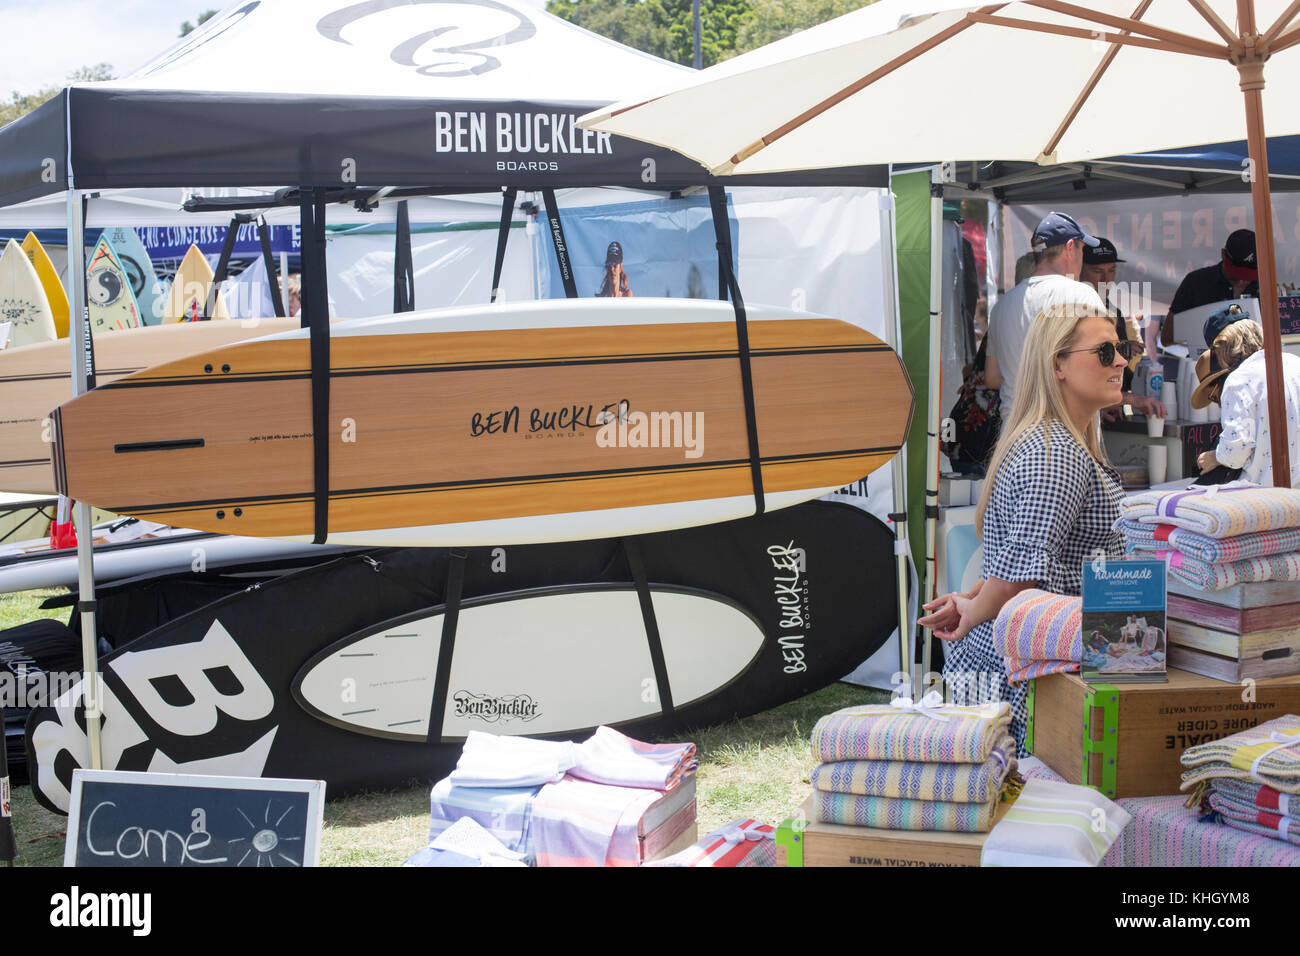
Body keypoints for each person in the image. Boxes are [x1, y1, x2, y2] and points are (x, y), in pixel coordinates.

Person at [919, 302, 1130, 754]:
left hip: (1035, 661)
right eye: (1106, 351)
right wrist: (972, 612)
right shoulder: (1056, 455)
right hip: (1036, 673)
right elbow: (1021, 575)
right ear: (1058, 363)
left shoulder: (1051, 443)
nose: (1122, 361)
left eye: (1122, 348)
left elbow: (1017, 558)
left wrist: (970, 601)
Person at [985, 212, 1107, 420]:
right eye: (1082, 249)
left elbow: (993, 378)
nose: (1082, 258)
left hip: (1013, 435)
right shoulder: (1082, 295)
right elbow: (1103, 367)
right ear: (1070, 248)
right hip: (1064, 434)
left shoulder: (1001, 307)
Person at [1194, 304, 1300, 487]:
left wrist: (1215, 457)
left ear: (1221, 347)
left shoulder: (1238, 381)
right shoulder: (1295, 363)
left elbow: (1236, 453)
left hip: (1264, 498)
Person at [1079, 237, 1166, 419]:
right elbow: (1078, 376)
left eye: (1111, 270)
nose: (1106, 279)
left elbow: (1120, 376)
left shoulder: (1114, 312)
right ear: (1079, 269)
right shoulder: (1071, 311)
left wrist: (1125, 350)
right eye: (1097, 271)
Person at [1162, 228, 1259, 347]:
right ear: (1223, 254)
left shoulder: (1265, 286)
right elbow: (1167, 338)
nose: (1241, 281)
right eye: (1236, 275)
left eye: (1248, 277)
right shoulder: (1195, 282)